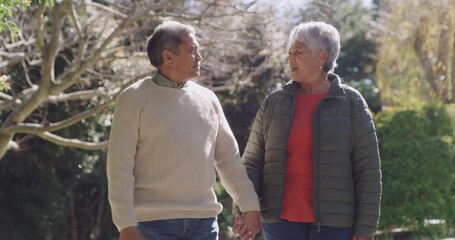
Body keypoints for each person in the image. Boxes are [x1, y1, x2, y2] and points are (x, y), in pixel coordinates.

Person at [107, 21, 261, 240]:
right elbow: (119, 167)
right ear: (168, 57)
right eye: (192, 51)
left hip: (204, 225)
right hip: (150, 226)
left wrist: (249, 206)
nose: (199, 57)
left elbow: (229, 160)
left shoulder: (208, 99)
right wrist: (125, 224)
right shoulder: (133, 99)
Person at [233, 21, 382, 240]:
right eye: (290, 52)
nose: (290, 58)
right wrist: (245, 210)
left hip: (336, 225)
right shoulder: (273, 103)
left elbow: (368, 169)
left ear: (322, 56)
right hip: (280, 223)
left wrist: (365, 227)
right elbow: (252, 162)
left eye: (298, 52)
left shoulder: (352, 103)